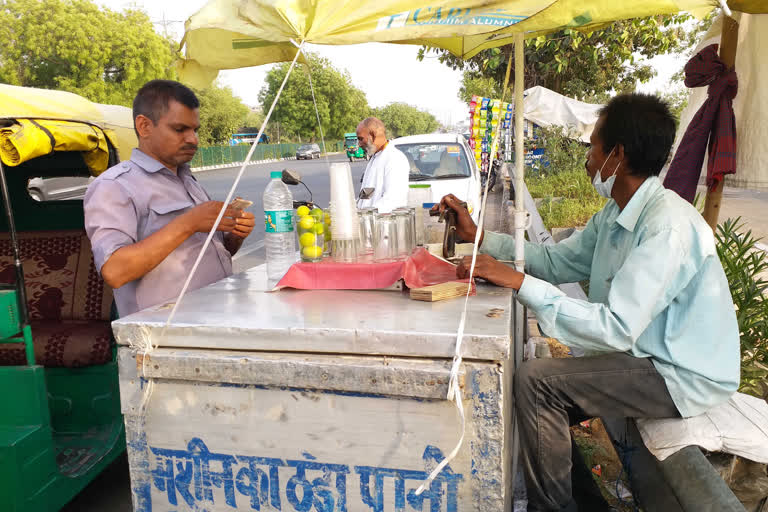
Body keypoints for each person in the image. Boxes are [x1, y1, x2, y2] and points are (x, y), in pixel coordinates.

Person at [439, 93, 740, 511]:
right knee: (538, 399)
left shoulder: (666, 228)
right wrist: (480, 238)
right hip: (645, 356)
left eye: (593, 147)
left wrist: (519, 281)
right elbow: (557, 260)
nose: (588, 159)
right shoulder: (617, 214)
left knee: (536, 381)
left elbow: (616, 326)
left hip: (681, 373)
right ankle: (582, 502)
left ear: (618, 154)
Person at [84, 80, 255, 317]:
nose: (193, 139)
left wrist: (234, 236)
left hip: (218, 317)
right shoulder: (115, 187)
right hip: (165, 337)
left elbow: (209, 252)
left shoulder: (187, 180)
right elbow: (115, 271)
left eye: (195, 130)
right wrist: (189, 222)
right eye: (179, 129)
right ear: (144, 126)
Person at [356, 117, 409, 213]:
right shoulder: (375, 157)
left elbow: (393, 199)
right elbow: (365, 196)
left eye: (361, 139)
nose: (359, 144)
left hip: (382, 223)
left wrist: (366, 214)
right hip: (368, 221)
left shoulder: (395, 158)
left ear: (373, 135)